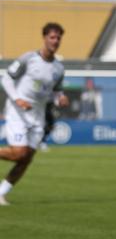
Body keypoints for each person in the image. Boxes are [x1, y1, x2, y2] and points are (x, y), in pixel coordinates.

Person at [0, 23, 68, 205]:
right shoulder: (28, 58)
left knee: (26, 158)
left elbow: (55, 92)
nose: (55, 41)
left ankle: (1, 193)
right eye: (52, 37)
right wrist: (17, 99)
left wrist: (60, 99)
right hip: (17, 112)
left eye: (58, 38)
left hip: (38, 116)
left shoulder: (59, 68)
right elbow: (6, 78)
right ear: (44, 38)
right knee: (18, 153)